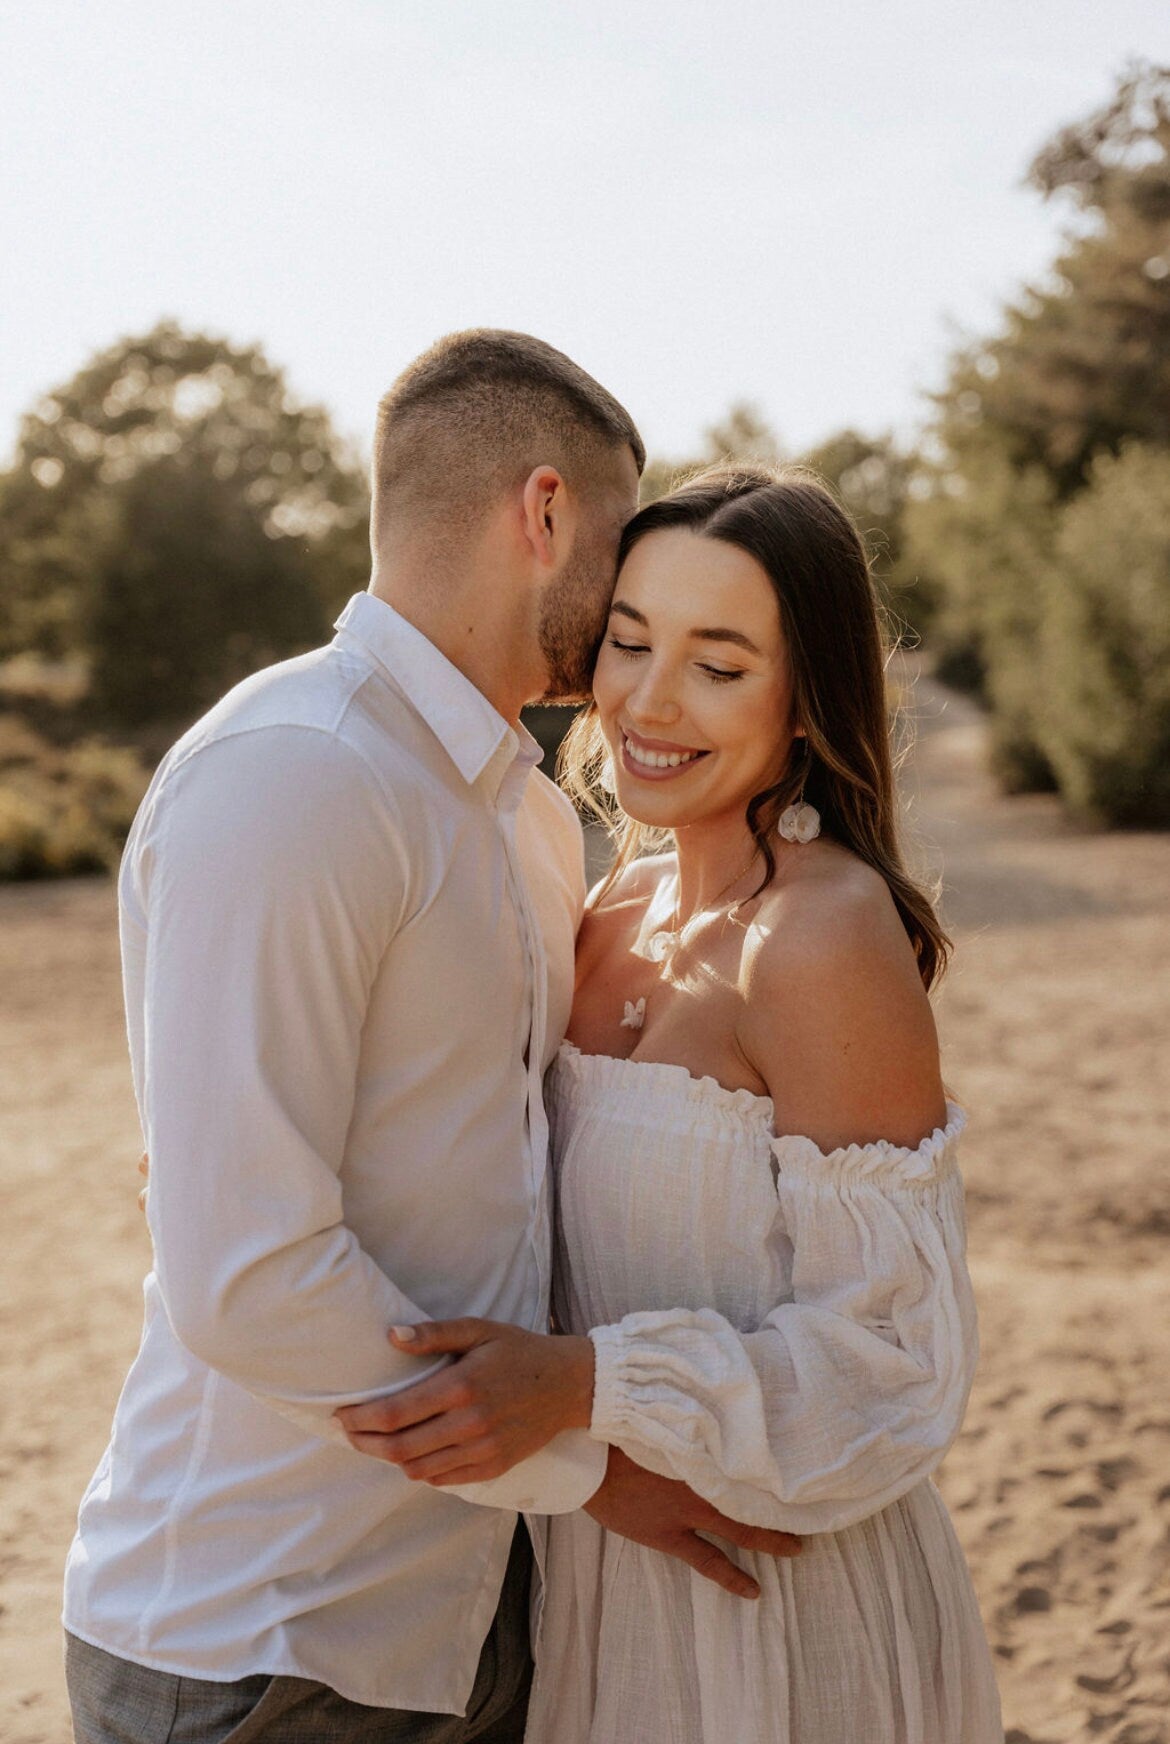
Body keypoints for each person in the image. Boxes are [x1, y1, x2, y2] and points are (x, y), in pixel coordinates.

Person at [64, 338, 803, 1744]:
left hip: (462, 1623)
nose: (635, 604)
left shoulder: (527, 814)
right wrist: (583, 1470)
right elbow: (250, 1273)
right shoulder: (295, 774)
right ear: (543, 516)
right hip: (260, 1644)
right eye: (621, 547)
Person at [338, 465, 1005, 1742]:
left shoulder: (822, 939)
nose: (649, 698)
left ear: (805, 695)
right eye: (630, 641)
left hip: (788, 1606)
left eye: (719, 662)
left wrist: (588, 1385)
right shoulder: (601, 915)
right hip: (600, 1581)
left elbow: (898, 1362)